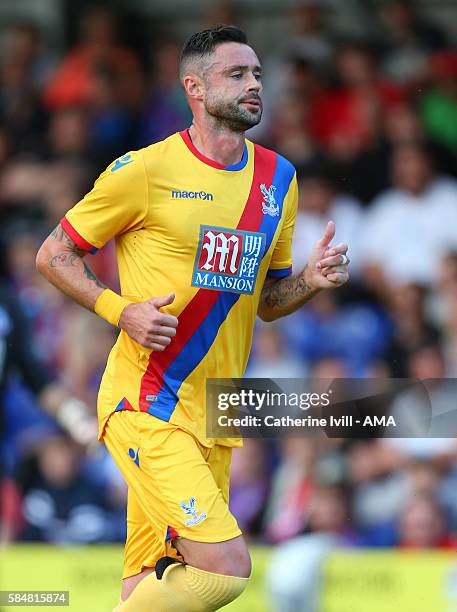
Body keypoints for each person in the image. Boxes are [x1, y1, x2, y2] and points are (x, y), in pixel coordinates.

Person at [36, 25, 349, 612]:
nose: (255, 84)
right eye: (237, 74)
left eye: (257, 73)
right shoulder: (144, 170)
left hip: (215, 413)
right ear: (195, 89)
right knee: (225, 570)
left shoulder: (279, 179)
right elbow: (54, 253)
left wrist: (310, 280)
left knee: (148, 586)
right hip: (146, 402)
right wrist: (119, 309)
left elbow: (267, 301)